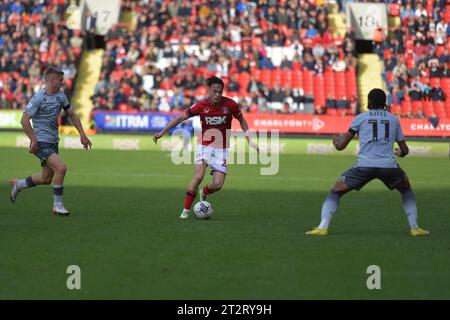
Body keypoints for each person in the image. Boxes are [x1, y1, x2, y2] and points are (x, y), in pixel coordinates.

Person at [306, 88, 430, 237]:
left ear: (369, 102)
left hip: (364, 166)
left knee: (335, 191)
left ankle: (322, 227)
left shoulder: (360, 118)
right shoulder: (393, 119)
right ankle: (415, 228)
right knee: (406, 190)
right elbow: (405, 150)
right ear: (385, 103)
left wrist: (335, 141)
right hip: (388, 167)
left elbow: (340, 146)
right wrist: (398, 152)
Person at [153, 76, 259, 219]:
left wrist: (249, 140)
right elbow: (180, 118)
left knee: (217, 185)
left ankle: (204, 192)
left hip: (221, 149)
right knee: (199, 176)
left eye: (220, 92)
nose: (217, 95)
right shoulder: (201, 105)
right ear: (209, 91)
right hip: (204, 146)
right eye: (214, 91)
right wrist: (163, 132)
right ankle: (185, 212)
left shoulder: (231, 105)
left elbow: (241, 120)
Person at [10, 67, 92, 215]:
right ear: (52, 80)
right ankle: (57, 206)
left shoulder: (61, 96)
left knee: (46, 178)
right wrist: (33, 140)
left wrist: (82, 134)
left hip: (53, 142)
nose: (63, 82)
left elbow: (72, 114)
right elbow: (24, 120)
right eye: (60, 80)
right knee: (61, 167)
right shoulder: (38, 98)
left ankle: (19, 184)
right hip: (41, 142)